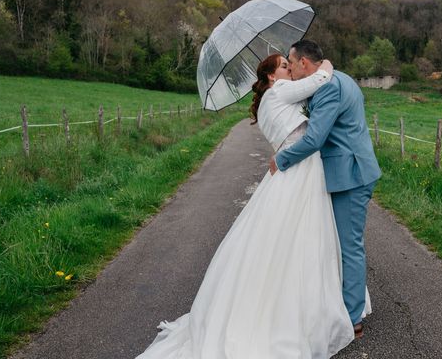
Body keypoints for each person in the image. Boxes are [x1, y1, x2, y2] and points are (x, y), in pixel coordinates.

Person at [135, 53, 354, 359]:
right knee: (301, 235)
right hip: (300, 168)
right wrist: (327, 63)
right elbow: (320, 78)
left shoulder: (267, 102)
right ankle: (295, 312)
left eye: (289, 64)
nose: (290, 69)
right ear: (271, 77)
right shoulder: (279, 90)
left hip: (290, 170)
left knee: (285, 238)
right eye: (284, 66)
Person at [270, 40, 381, 339]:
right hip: (351, 169)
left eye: (291, 65)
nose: (290, 72)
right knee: (341, 244)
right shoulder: (339, 77)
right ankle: (340, 305)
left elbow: (315, 138)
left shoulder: (329, 87)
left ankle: (352, 317)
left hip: (351, 174)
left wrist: (281, 159)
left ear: (304, 63)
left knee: (349, 247)